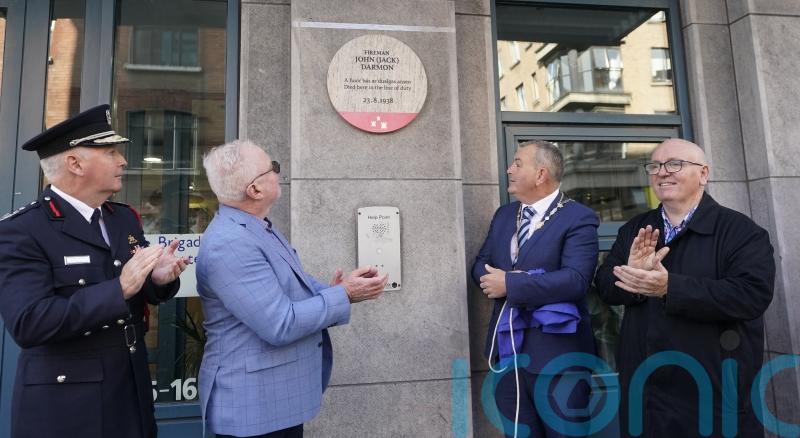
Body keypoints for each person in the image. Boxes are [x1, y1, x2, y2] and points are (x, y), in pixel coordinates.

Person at [0, 104, 189, 438]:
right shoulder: (22, 230)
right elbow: (29, 323)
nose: (123, 161)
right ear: (75, 163)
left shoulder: (122, 218)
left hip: (130, 396)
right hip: (69, 410)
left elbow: (137, 291)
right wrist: (119, 289)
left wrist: (158, 280)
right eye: (111, 152)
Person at [196, 139, 388, 438]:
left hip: (271, 403)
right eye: (272, 167)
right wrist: (344, 294)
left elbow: (289, 287)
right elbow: (280, 323)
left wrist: (335, 290)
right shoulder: (230, 243)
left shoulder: (254, 227)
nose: (278, 172)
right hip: (253, 409)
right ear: (255, 190)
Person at [594, 138, 775, 437]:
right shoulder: (635, 229)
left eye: (674, 164)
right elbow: (604, 287)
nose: (662, 172)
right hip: (645, 392)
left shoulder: (741, 231)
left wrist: (670, 288)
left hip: (712, 393)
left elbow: (751, 295)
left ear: (703, 174)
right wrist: (632, 278)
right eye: (654, 166)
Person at [472, 140, 599, 438]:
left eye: (517, 163)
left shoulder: (578, 217)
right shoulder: (504, 215)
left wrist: (511, 283)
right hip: (508, 357)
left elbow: (576, 280)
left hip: (559, 359)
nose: (509, 169)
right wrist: (494, 280)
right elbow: (480, 264)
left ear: (541, 174)